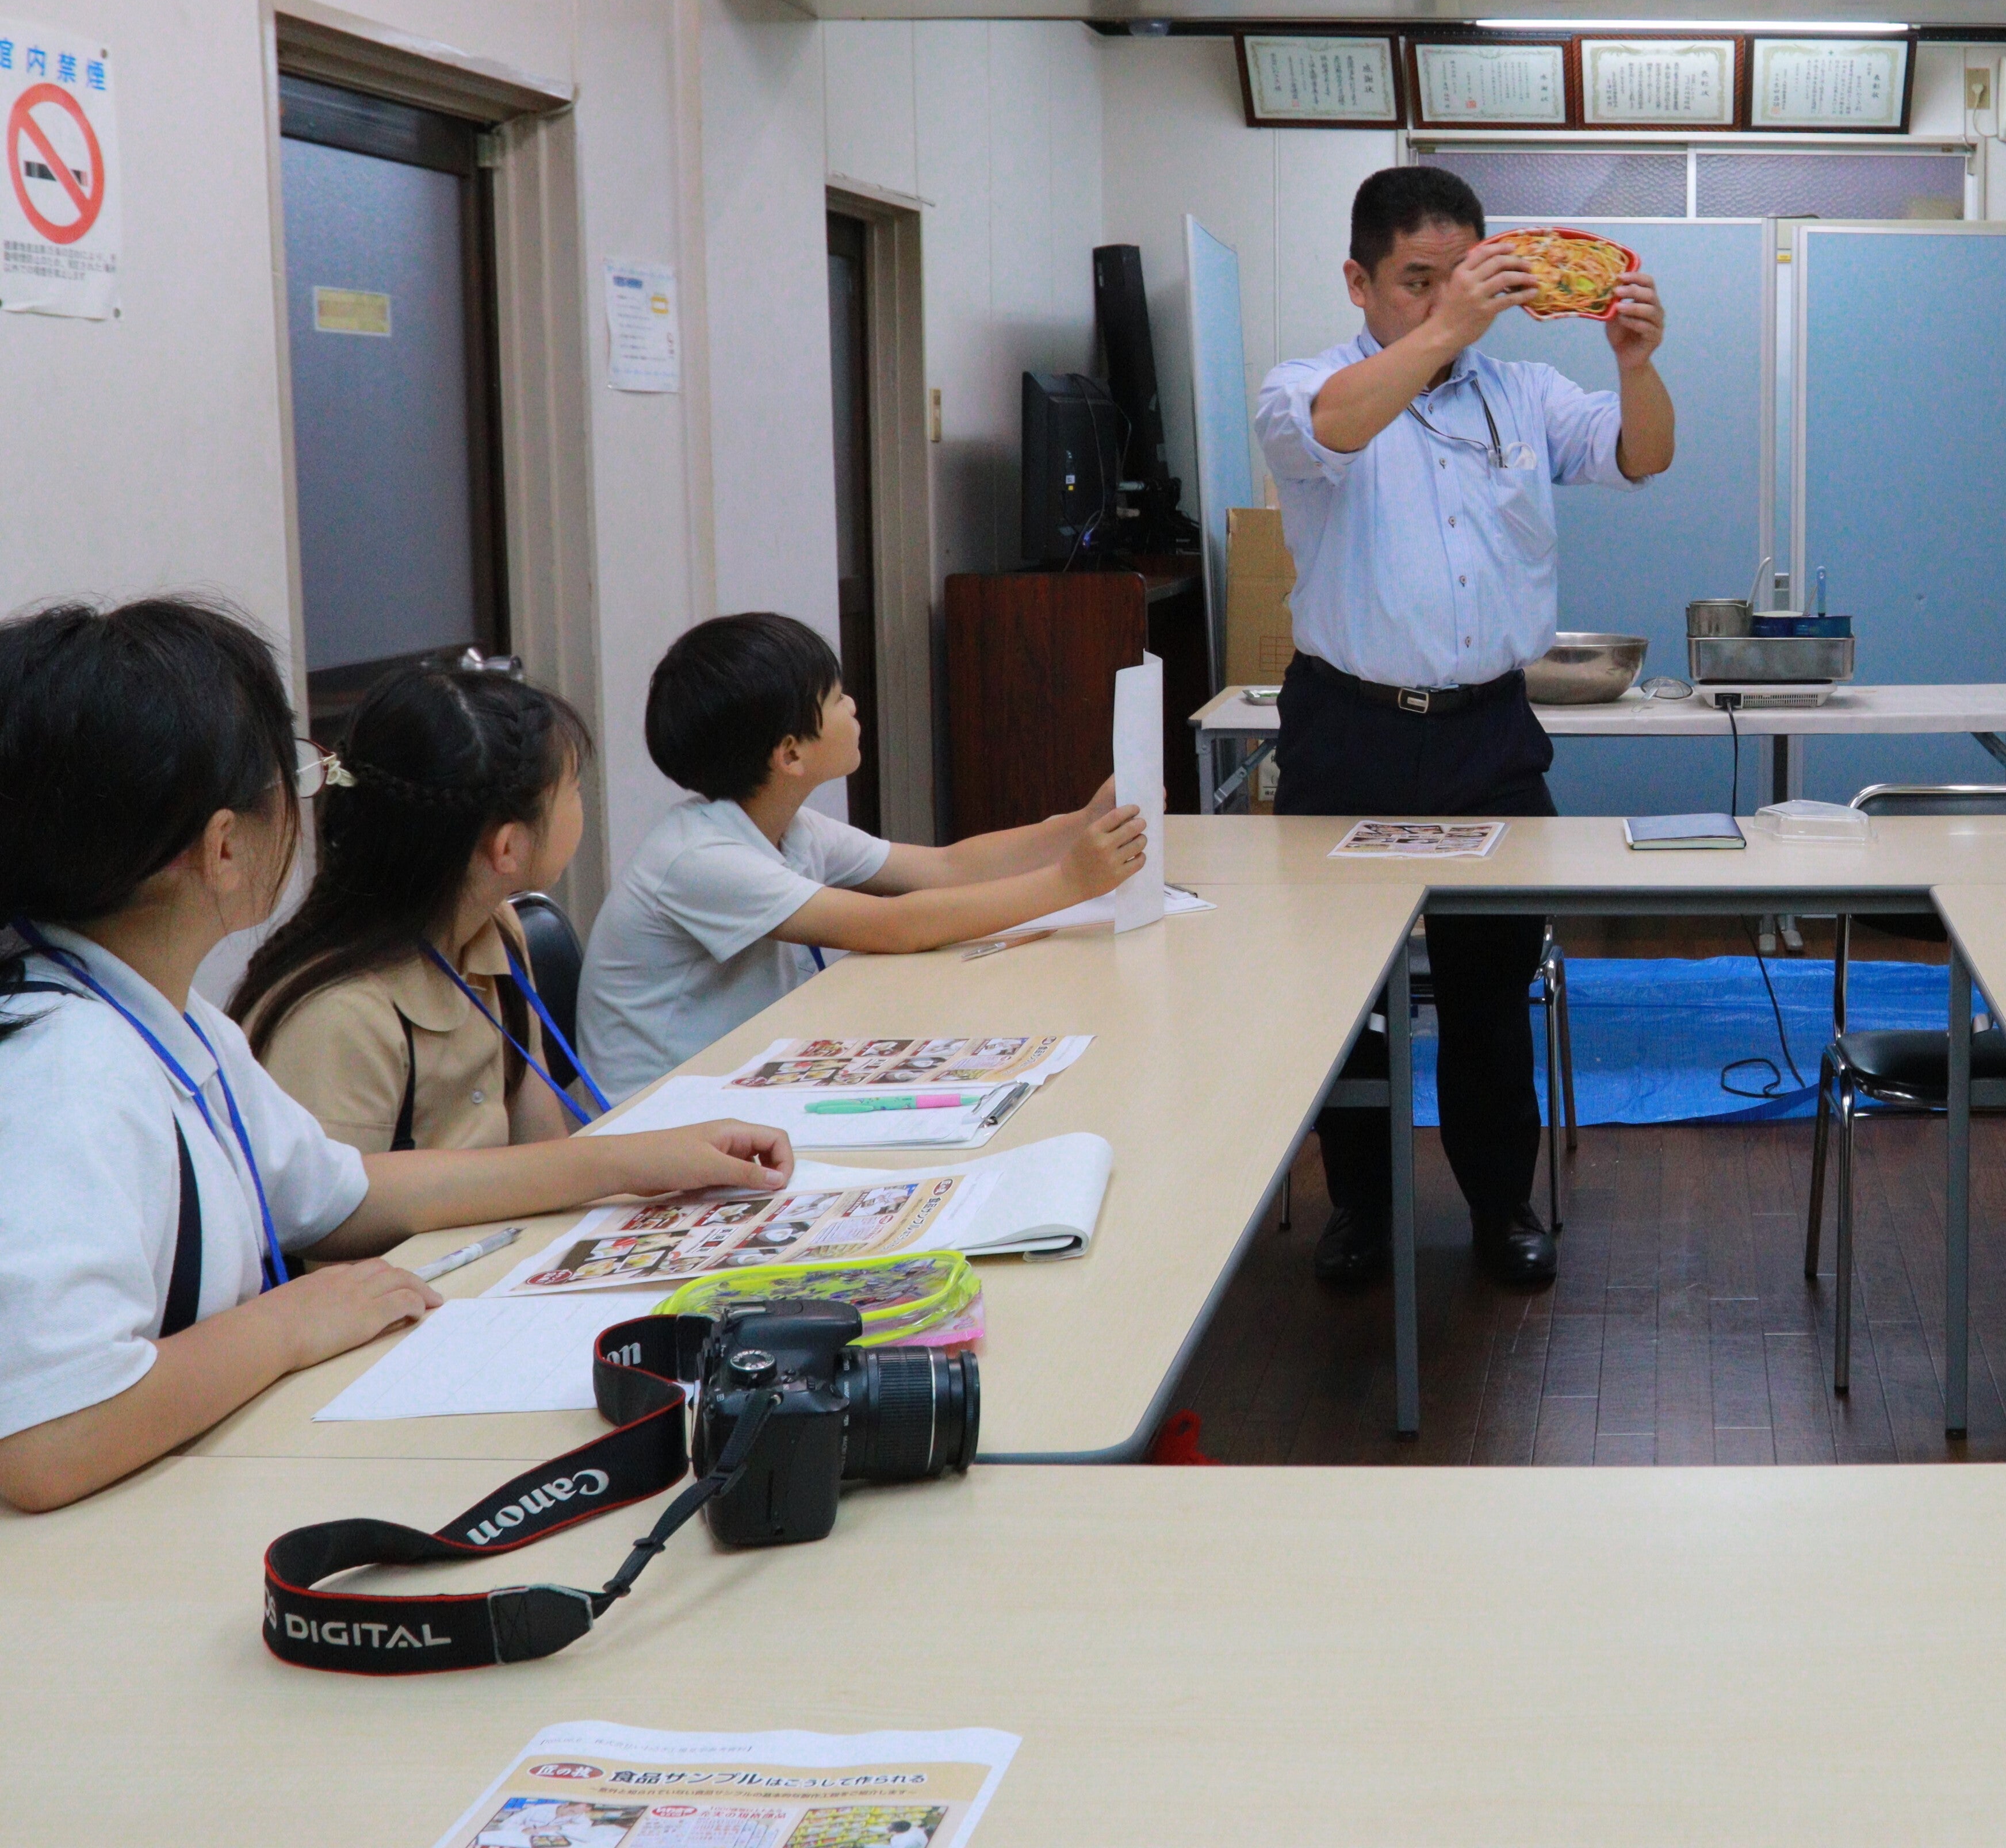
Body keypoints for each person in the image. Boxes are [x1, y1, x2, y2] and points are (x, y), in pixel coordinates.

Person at [0, 597, 794, 1513]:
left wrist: (636, 1162)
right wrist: (291, 1324)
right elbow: (49, 1440)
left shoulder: (158, 1018)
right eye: (290, 779)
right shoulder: (69, 1069)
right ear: (223, 849)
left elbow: (342, 1195)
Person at [1251, 164, 1674, 1291]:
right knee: (1347, 991)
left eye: (1464, 276)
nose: (1443, 300)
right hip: (1348, 730)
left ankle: (1501, 1207)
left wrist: (1637, 365)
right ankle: (1362, 1208)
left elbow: (1642, 455)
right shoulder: (1308, 386)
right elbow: (1333, 431)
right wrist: (1446, 330)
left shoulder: (1523, 391)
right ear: (1359, 281)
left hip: (1487, 735)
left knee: (1493, 989)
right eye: (1415, 281)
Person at [577, 614, 1146, 1093]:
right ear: (791, 754)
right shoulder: (700, 860)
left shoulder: (789, 827)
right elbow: (894, 926)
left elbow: (945, 868)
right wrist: (1068, 882)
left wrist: (1081, 824)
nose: (852, 705)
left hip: (742, 1077)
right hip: (665, 1113)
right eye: (835, 698)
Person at [232, 663, 604, 1151]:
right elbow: (339, 1200)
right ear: (508, 848)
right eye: (573, 790)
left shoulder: (496, 929)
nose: (580, 802)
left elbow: (546, 1154)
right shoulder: (341, 1019)